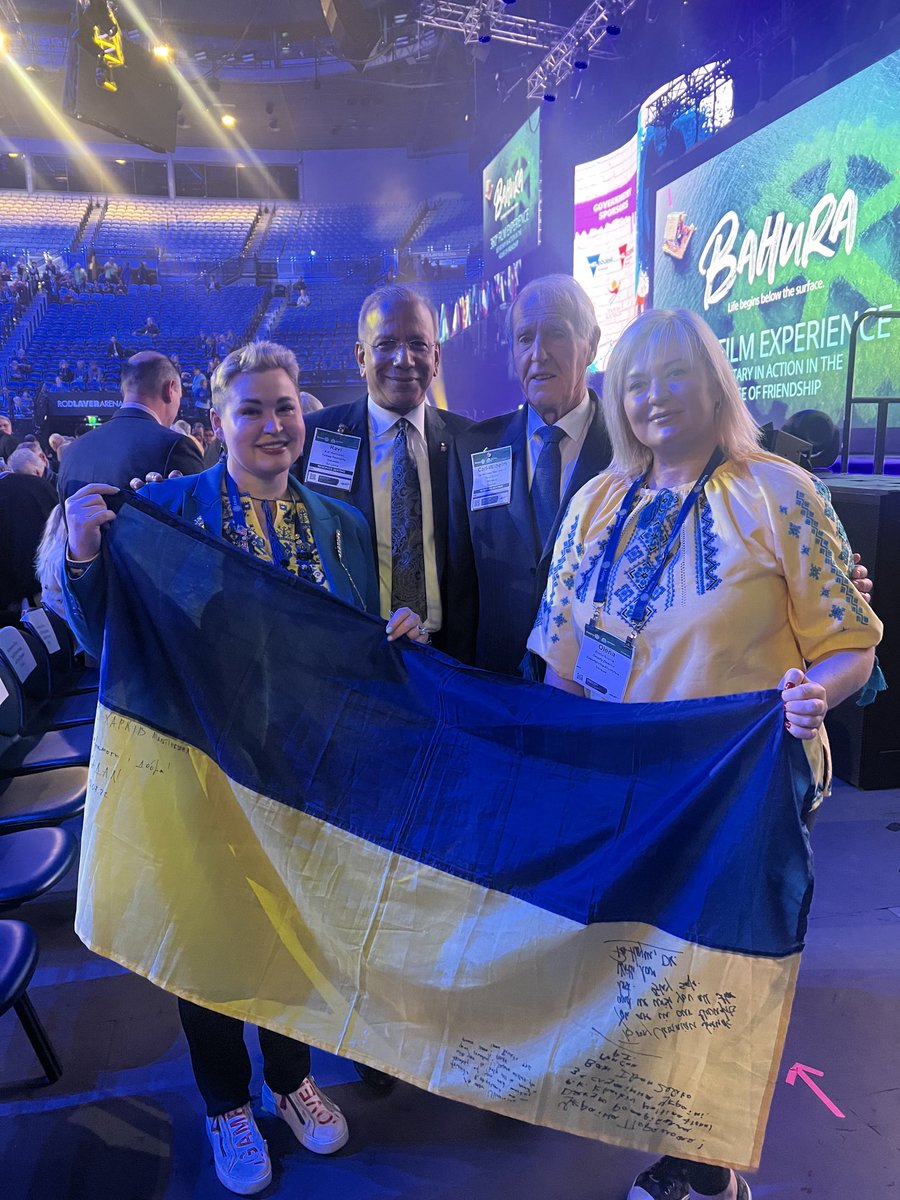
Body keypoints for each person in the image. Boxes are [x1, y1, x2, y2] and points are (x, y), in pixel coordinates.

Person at [526, 308, 883, 1200]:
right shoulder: (597, 503)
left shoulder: (779, 491)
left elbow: (853, 643)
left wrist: (817, 690)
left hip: (739, 790)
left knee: (716, 971)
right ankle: (681, 1136)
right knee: (639, 963)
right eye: (636, 383)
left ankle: (703, 1163)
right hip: (629, 788)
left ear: (713, 383)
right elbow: (564, 661)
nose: (653, 399)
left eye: (673, 376)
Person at [61, 340, 427, 1196]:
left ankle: (291, 1079)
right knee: (212, 938)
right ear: (216, 422)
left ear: (305, 416)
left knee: (294, 930)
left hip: (308, 778)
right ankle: (226, 1101)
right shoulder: (174, 512)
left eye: (285, 407)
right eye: (252, 409)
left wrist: (397, 634)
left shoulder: (339, 526)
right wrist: (82, 557)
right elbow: (107, 638)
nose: (272, 424)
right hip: (202, 775)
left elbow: (355, 643)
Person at [445, 275, 612, 675]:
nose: (538, 353)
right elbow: (461, 589)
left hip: (596, 694)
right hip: (496, 691)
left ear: (590, 342)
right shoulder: (473, 449)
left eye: (555, 333)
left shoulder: (630, 451)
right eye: (524, 338)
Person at [301, 283, 471, 654]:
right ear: (361, 357)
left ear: (437, 357)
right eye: (386, 344)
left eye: (418, 344)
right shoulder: (314, 437)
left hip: (451, 659)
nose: (404, 359)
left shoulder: (471, 442)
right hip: (348, 652)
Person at [57, 351, 203, 501]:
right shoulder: (176, 446)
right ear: (170, 389)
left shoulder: (72, 451)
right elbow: (201, 519)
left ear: (123, 391)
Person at [0, 446, 57, 620]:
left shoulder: (3, 488)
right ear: (37, 470)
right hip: (41, 575)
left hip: (6, 580)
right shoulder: (43, 487)